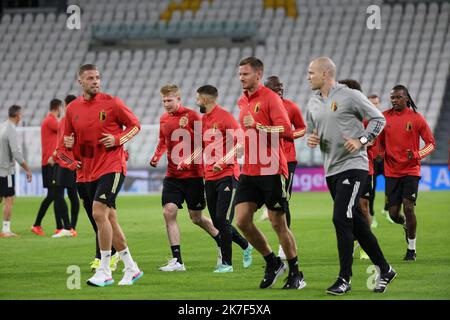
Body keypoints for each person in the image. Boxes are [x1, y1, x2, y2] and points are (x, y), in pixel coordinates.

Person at [306, 57, 396, 295]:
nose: (308, 76)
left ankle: (344, 278)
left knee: (340, 218)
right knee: (355, 223)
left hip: (354, 166)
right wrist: (312, 138)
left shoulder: (349, 95)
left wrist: (362, 140)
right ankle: (385, 269)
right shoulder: (313, 101)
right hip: (331, 170)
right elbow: (311, 130)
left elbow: (379, 119)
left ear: (326, 74)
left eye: (312, 72)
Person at [58, 64, 143, 286]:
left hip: (112, 166)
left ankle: (104, 269)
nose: (95, 81)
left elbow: (135, 126)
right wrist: (71, 151)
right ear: (80, 82)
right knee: (109, 219)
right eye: (90, 78)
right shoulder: (72, 109)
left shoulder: (112, 103)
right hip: (86, 173)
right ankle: (131, 268)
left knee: (98, 213)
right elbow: (64, 146)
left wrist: (117, 140)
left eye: (97, 77)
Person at [234, 57, 306, 290]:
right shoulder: (241, 102)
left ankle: (296, 272)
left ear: (258, 75)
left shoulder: (271, 98)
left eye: (245, 74)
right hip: (250, 169)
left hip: (272, 169)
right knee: (242, 221)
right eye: (240, 74)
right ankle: (272, 262)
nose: (241, 78)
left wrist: (258, 126)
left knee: (278, 223)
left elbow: (286, 131)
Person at [150, 84, 222, 272]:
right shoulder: (163, 119)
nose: (166, 104)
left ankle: (221, 241)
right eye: (164, 101)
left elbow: (203, 142)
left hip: (193, 176)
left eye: (170, 100)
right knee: (169, 212)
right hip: (172, 176)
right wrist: (156, 156)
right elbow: (162, 141)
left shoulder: (192, 116)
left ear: (178, 99)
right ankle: (177, 261)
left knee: (196, 218)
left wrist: (188, 158)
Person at [196, 85, 253, 273]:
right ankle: (246, 245)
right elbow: (202, 147)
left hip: (227, 175)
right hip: (209, 176)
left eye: (198, 99)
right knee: (217, 221)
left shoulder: (226, 117)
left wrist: (224, 160)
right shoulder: (204, 120)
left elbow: (242, 144)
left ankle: (227, 264)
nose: (197, 102)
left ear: (205, 100)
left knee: (222, 218)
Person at [378, 84, 435, 261]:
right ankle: (405, 225)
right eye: (392, 98)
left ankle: (411, 249)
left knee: (408, 207)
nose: (394, 100)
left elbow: (431, 144)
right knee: (394, 213)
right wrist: (380, 154)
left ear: (407, 98)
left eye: (398, 97)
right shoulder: (384, 117)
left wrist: (417, 154)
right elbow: (379, 141)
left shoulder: (417, 118)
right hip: (391, 171)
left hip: (411, 169)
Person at [262, 76, 307, 260]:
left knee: (283, 201)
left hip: (286, 160)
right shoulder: (261, 107)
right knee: (268, 202)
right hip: (265, 160)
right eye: (275, 87)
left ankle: (284, 246)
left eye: (281, 85)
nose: (280, 88)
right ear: (266, 89)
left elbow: (302, 128)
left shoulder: (291, 106)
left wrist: (289, 136)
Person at [337, 79, 371, 261]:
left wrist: (361, 142)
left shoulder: (364, 117)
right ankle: (382, 264)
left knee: (357, 211)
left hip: (360, 168)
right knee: (354, 212)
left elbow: (371, 137)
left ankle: (358, 252)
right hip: (341, 168)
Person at [31, 99, 70, 237]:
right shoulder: (51, 121)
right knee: (53, 195)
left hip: (51, 162)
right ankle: (38, 224)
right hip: (50, 163)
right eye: (61, 108)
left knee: (54, 195)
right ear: (58, 107)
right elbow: (65, 127)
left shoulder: (49, 121)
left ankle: (58, 226)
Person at [0, 105, 33, 237]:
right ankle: (6, 230)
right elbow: (16, 153)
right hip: (6, 171)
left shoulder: (2, 125)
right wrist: (27, 169)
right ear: (18, 115)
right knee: (9, 199)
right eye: (21, 114)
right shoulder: (11, 129)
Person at [52, 94, 80, 238]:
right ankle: (72, 227)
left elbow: (62, 143)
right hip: (74, 162)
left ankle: (67, 227)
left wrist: (57, 155)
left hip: (65, 162)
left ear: (66, 105)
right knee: (72, 194)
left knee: (58, 193)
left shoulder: (65, 120)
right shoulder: (78, 119)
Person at [367, 94, 393, 224]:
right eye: (371, 103)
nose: (374, 105)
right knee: (371, 191)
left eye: (376, 103)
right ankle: (371, 216)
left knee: (391, 187)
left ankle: (387, 210)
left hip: (383, 159)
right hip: (371, 160)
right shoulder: (364, 119)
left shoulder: (383, 119)